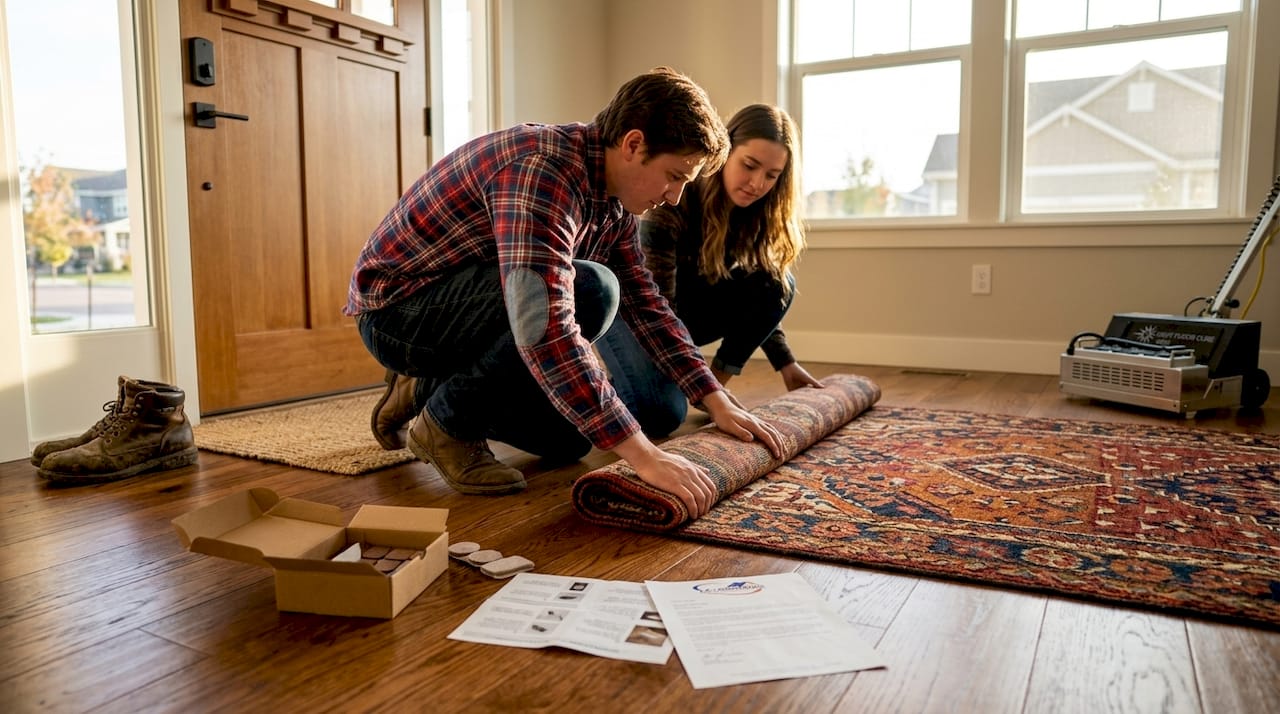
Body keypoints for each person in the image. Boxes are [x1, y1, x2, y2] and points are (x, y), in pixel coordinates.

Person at [346, 67, 783, 518]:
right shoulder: (543, 170)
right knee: (593, 289)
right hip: (399, 315)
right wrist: (644, 457)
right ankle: (445, 424)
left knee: (570, 439)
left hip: (463, 314)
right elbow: (545, 325)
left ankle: (427, 386)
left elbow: (648, 306)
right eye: (674, 176)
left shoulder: (614, 202)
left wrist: (716, 400)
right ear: (634, 145)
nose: (674, 197)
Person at [596, 104, 822, 439]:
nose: (757, 183)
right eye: (749, 166)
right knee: (663, 414)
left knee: (778, 282)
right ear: (726, 151)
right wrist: (699, 387)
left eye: (772, 176)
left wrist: (785, 363)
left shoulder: (754, 213)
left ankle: (715, 385)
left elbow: (761, 299)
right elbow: (656, 308)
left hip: (681, 315)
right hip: (634, 314)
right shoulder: (675, 199)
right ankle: (604, 386)